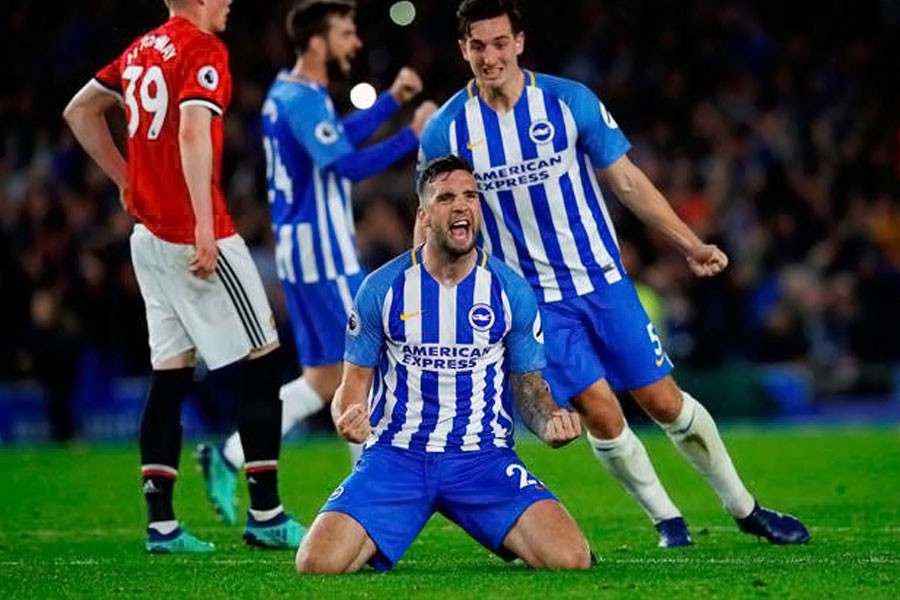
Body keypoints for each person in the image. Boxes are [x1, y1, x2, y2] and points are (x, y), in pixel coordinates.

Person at [417, 0, 809, 547]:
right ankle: (668, 522)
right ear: (463, 50)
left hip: (602, 282)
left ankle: (745, 508)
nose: (490, 56)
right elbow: (432, 215)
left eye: (500, 42)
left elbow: (626, 181)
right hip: (535, 303)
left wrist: (689, 245)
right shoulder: (446, 130)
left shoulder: (568, 101)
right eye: (478, 45)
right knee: (601, 413)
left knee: (665, 402)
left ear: (520, 42)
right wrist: (424, 291)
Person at [63, 0, 303, 552]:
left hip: (147, 238)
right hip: (194, 231)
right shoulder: (202, 50)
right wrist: (201, 225)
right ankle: (266, 514)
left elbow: (79, 112)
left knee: (169, 374)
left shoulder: (142, 48)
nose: (229, 2)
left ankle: (162, 525)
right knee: (263, 362)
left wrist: (125, 180)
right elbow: (194, 133)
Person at [197, 0, 437, 525]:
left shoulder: (294, 94)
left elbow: (334, 140)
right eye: (346, 33)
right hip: (324, 256)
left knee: (325, 380)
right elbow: (345, 165)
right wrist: (411, 135)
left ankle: (230, 454)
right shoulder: (301, 100)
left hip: (305, 253)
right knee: (366, 368)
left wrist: (390, 102)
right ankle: (367, 504)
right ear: (315, 42)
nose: (355, 43)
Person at [295, 155, 592, 573]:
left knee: (570, 559)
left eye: (470, 196)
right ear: (425, 214)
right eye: (446, 197)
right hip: (396, 456)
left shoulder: (510, 289)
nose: (461, 205)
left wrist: (548, 423)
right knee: (316, 564)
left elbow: (528, 384)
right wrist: (346, 416)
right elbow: (351, 386)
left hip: (482, 459)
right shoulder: (381, 288)